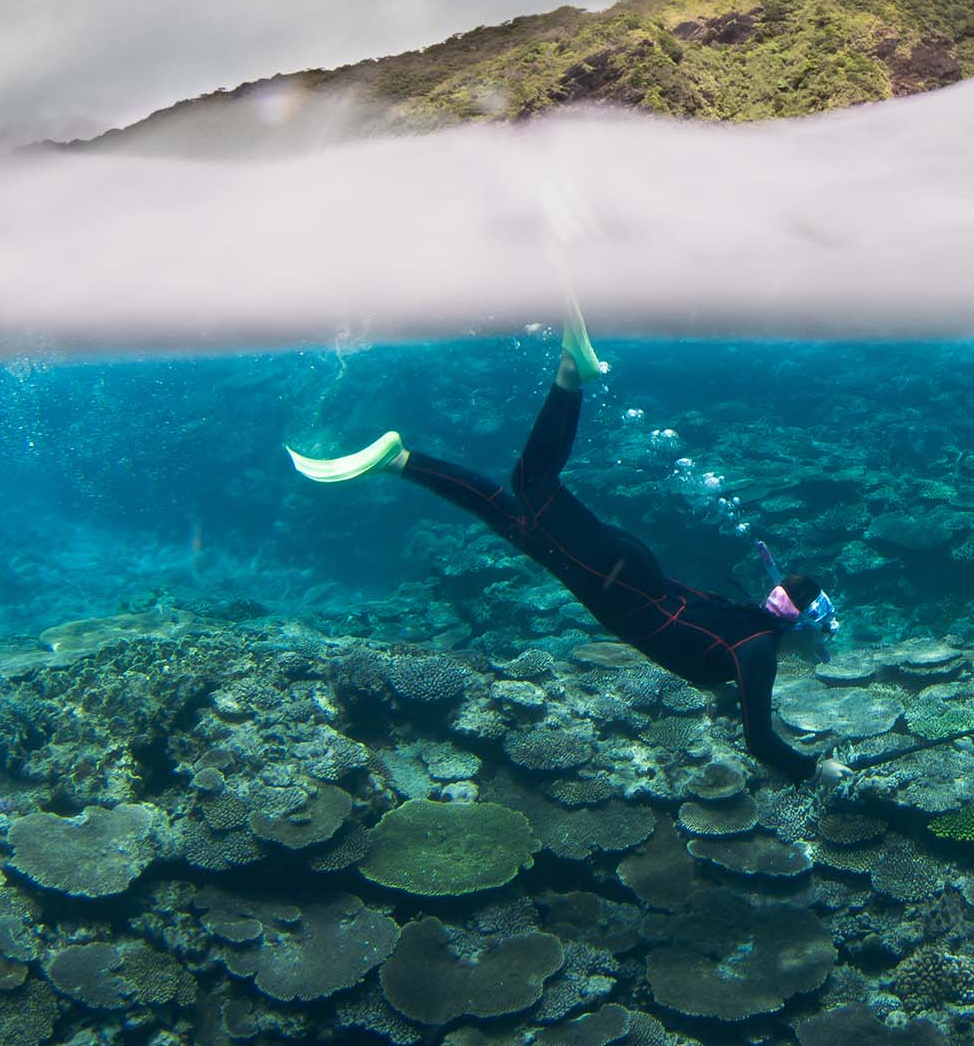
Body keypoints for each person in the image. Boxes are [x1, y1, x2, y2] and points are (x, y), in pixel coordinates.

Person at [286, 304, 850, 786]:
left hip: (621, 574)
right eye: (818, 639)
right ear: (799, 628)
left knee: (505, 515)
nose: (817, 655)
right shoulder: (755, 653)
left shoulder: (745, 627)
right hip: (614, 579)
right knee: (532, 484)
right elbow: (760, 742)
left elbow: (705, 638)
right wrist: (816, 770)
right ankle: (570, 377)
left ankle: (401, 461)